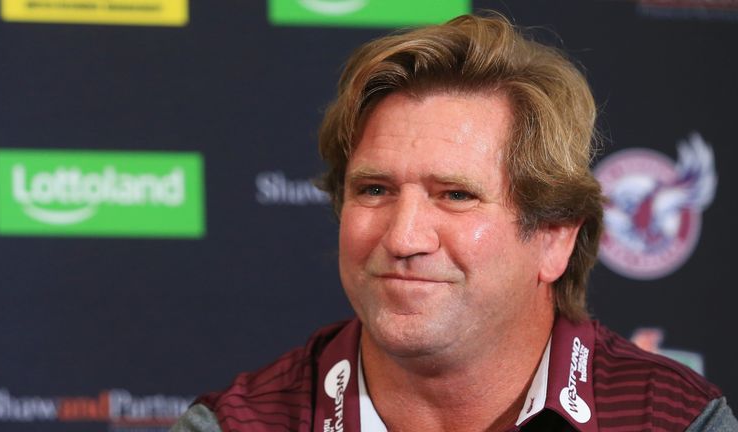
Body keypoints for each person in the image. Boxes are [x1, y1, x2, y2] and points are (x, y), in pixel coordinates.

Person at [171, 12, 737, 432]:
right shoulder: (236, 425)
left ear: (555, 237)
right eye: (374, 189)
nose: (403, 237)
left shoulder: (674, 421)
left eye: (456, 195)